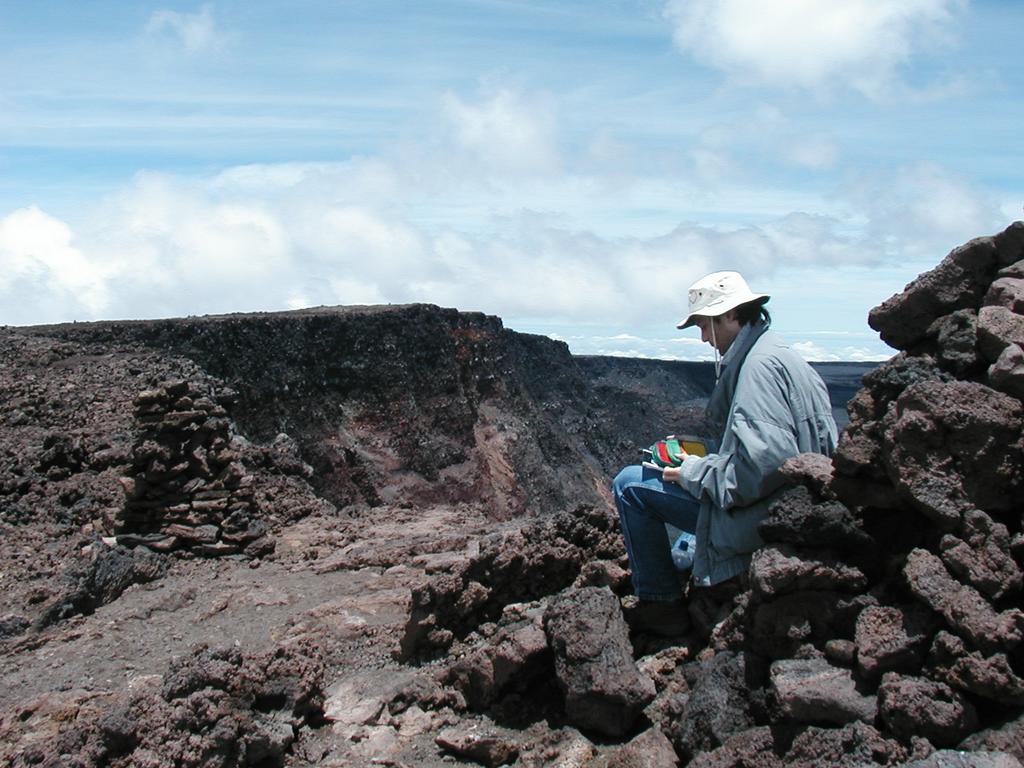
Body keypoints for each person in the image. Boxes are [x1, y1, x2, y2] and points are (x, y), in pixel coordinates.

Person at [611, 271, 838, 636]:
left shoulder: (757, 371)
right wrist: (706, 455)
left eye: (705, 325)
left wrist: (693, 472)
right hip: (795, 507)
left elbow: (764, 469)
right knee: (686, 539)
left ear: (732, 315)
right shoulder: (780, 353)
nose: (703, 338)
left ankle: (661, 605)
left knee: (630, 485)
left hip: (767, 517)